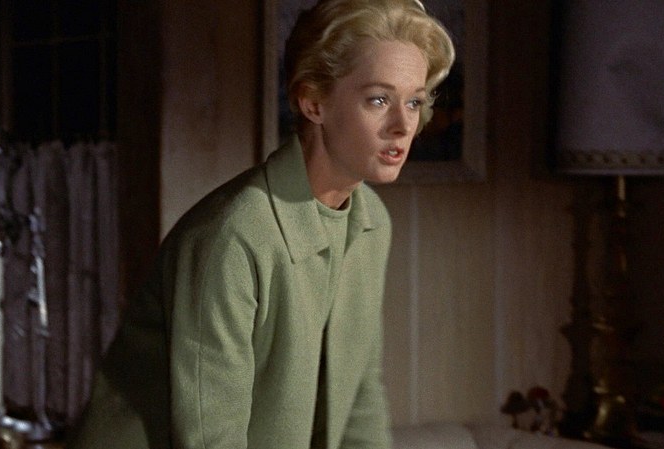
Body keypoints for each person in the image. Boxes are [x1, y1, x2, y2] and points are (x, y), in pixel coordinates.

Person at [66, 0, 454, 448]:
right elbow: (210, 438)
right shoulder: (235, 235)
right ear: (313, 102)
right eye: (379, 99)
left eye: (414, 101)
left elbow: (360, 397)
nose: (403, 125)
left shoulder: (372, 225)